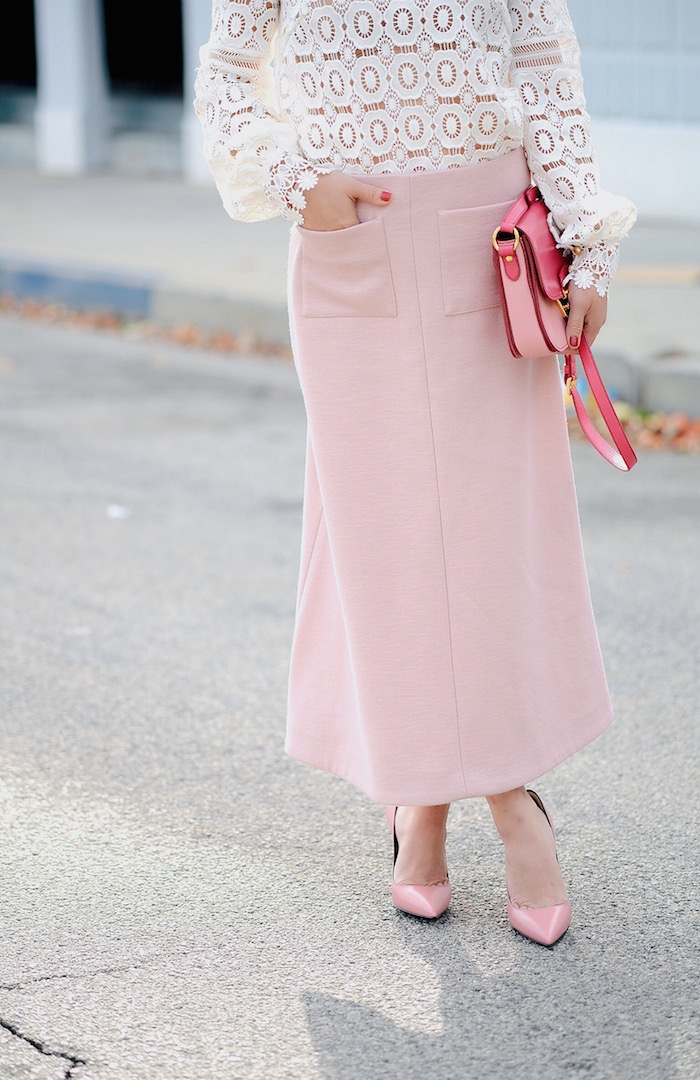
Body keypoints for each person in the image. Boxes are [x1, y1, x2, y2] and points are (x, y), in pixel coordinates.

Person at [194, 0, 636, 946]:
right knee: (385, 538)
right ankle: (435, 792)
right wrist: (293, 174)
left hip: (495, 245)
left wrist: (588, 241)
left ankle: (482, 795)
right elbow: (226, 78)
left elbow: (547, 72)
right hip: (350, 236)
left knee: (490, 535)